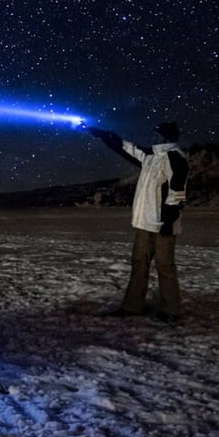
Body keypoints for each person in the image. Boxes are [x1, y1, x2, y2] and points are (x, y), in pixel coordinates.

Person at [87, 121, 190, 322]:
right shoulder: (150, 156)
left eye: (156, 134)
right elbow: (126, 147)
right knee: (139, 264)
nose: (152, 136)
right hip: (144, 223)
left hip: (164, 225)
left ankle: (171, 310)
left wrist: (168, 222)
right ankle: (132, 307)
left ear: (165, 137)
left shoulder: (175, 157)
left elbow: (177, 192)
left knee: (165, 266)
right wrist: (103, 134)